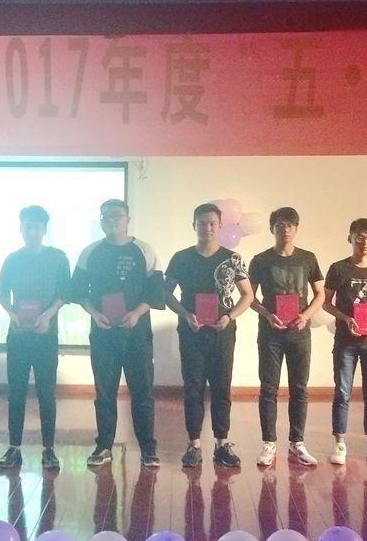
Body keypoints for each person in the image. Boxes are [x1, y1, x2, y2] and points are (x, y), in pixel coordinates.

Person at [72, 199, 164, 468]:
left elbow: (155, 291)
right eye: (107, 216)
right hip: (103, 334)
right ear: (101, 221)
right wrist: (94, 313)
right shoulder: (90, 253)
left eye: (117, 216)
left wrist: (136, 313)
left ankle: (148, 448)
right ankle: (103, 446)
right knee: (104, 393)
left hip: (137, 334)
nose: (112, 220)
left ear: (127, 219)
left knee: (142, 391)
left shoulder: (144, 250)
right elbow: (79, 292)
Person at [165, 203, 253, 468]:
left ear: (220, 226)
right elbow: (167, 294)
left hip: (222, 333)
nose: (207, 228)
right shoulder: (181, 258)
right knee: (192, 387)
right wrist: (185, 314)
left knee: (221, 387)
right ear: (194, 226)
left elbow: (248, 295)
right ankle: (194, 444)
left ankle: (221, 444)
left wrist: (229, 316)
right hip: (191, 331)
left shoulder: (232, 258)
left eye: (212, 223)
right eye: (202, 223)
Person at [248, 206, 325, 467]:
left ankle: (297, 443)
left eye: (290, 225)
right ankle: (269, 443)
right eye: (280, 225)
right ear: (272, 229)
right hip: (271, 333)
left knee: (300, 388)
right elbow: (250, 297)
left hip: (299, 332)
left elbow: (321, 294)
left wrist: (306, 315)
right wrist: (267, 315)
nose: (285, 230)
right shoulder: (260, 260)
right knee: (268, 387)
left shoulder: (308, 258)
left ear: (296, 228)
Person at [0, 206, 71, 472]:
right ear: (21, 229)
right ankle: (14, 448)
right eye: (27, 226)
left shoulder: (58, 258)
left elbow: (66, 293)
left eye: (37, 227)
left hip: (45, 334)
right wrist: (13, 315)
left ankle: (48, 449)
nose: (32, 231)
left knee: (46, 393)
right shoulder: (12, 259)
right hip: (18, 335)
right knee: (15, 392)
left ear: (44, 229)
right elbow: (2, 294)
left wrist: (48, 316)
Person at [322, 218, 367, 467]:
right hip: (346, 342)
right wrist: (346, 318)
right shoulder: (338, 268)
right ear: (350, 239)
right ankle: (339, 444)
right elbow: (326, 303)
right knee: (342, 392)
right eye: (359, 237)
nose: (364, 242)